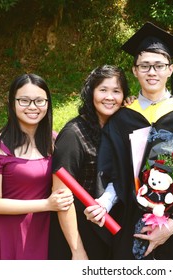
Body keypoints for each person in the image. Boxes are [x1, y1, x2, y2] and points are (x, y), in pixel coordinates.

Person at [84, 22, 173, 260]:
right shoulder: (123, 119)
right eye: (144, 65)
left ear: (171, 69)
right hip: (129, 225)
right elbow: (114, 174)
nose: (152, 72)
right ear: (135, 70)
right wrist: (103, 203)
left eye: (159, 65)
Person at [0, 73, 74, 260]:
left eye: (39, 101)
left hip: (47, 231)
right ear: (12, 103)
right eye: (24, 100)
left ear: (48, 103)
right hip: (9, 235)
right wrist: (46, 204)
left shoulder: (53, 141)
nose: (32, 107)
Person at [48, 65, 129, 260]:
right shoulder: (73, 134)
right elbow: (62, 199)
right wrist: (77, 250)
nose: (109, 97)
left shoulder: (117, 128)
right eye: (103, 90)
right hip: (78, 232)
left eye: (116, 91)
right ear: (91, 92)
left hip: (108, 228)